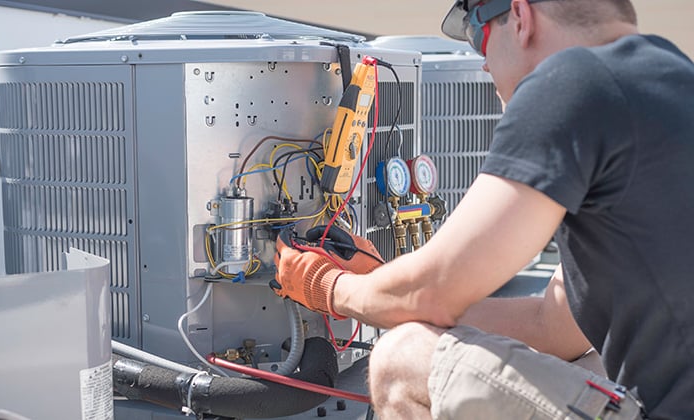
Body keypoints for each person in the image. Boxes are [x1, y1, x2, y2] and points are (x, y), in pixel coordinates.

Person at [271, 0, 694, 418]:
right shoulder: (673, 78)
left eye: (477, 36)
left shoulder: (573, 82)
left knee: (401, 360)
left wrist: (329, 287)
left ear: (520, 17)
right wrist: (385, 284)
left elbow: (431, 292)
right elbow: (555, 327)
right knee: (587, 363)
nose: (484, 65)